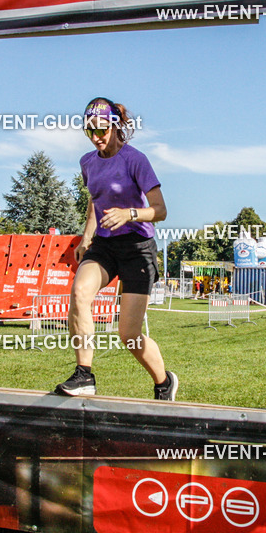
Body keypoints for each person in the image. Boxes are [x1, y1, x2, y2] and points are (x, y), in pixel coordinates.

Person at [55, 97, 178, 401]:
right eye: (89, 131)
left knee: (129, 337)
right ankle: (84, 375)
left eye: (100, 130)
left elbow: (160, 210)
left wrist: (129, 213)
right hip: (105, 245)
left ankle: (164, 382)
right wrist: (86, 238)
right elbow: (95, 202)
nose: (96, 137)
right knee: (80, 291)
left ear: (113, 125)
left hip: (138, 249)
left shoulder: (135, 160)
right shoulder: (88, 162)